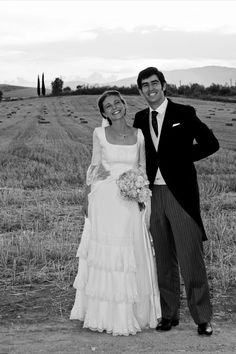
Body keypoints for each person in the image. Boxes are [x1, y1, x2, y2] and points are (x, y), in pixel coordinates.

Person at [133, 67, 219, 336]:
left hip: (179, 195)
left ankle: (202, 317)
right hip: (152, 196)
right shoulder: (138, 119)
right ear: (140, 91)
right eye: (145, 85)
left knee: (190, 257)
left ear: (164, 85)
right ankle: (168, 314)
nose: (151, 89)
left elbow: (211, 143)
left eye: (154, 83)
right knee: (163, 261)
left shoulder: (184, 112)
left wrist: (181, 158)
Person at [70, 90, 161, 336]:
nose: (114, 107)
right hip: (105, 199)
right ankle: (105, 314)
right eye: (108, 106)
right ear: (103, 113)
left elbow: (142, 167)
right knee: (107, 254)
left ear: (124, 104)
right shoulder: (99, 133)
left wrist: (138, 186)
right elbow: (94, 165)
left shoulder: (139, 135)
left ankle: (130, 313)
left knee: (129, 252)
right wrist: (88, 196)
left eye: (117, 102)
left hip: (130, 198)